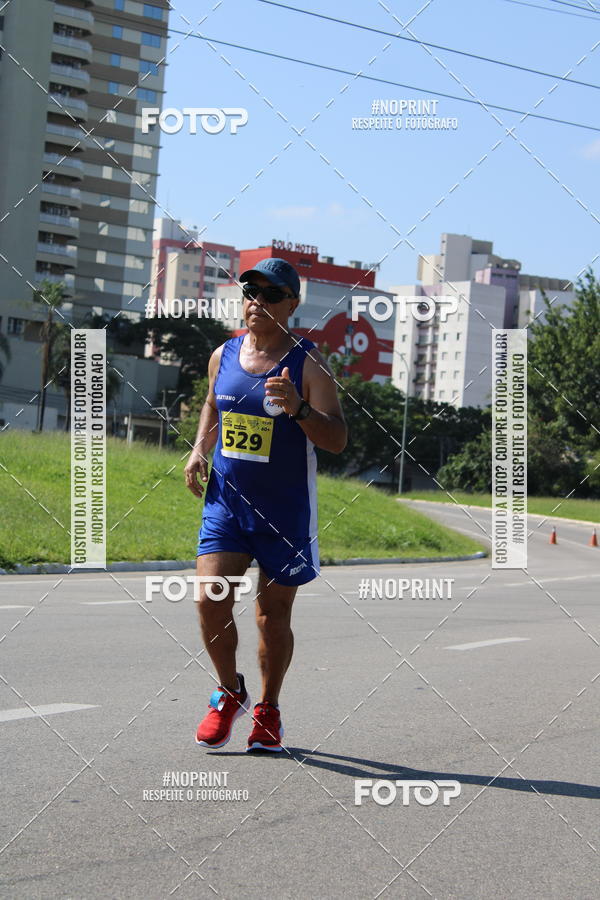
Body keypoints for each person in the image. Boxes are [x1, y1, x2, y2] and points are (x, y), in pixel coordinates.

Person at [184, 257, 347, 752]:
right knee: (209, 597)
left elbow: (337, 439)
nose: (257, 302)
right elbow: (213, 403)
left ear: (292, 304)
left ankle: (268, 708)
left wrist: (299, 407)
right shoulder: (224, 354)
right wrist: (199, 448)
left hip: (285, 511)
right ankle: (229, 692)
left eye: (271, 294)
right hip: (227, 504)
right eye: (251, 293)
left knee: (271, 616)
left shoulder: (310, 363)